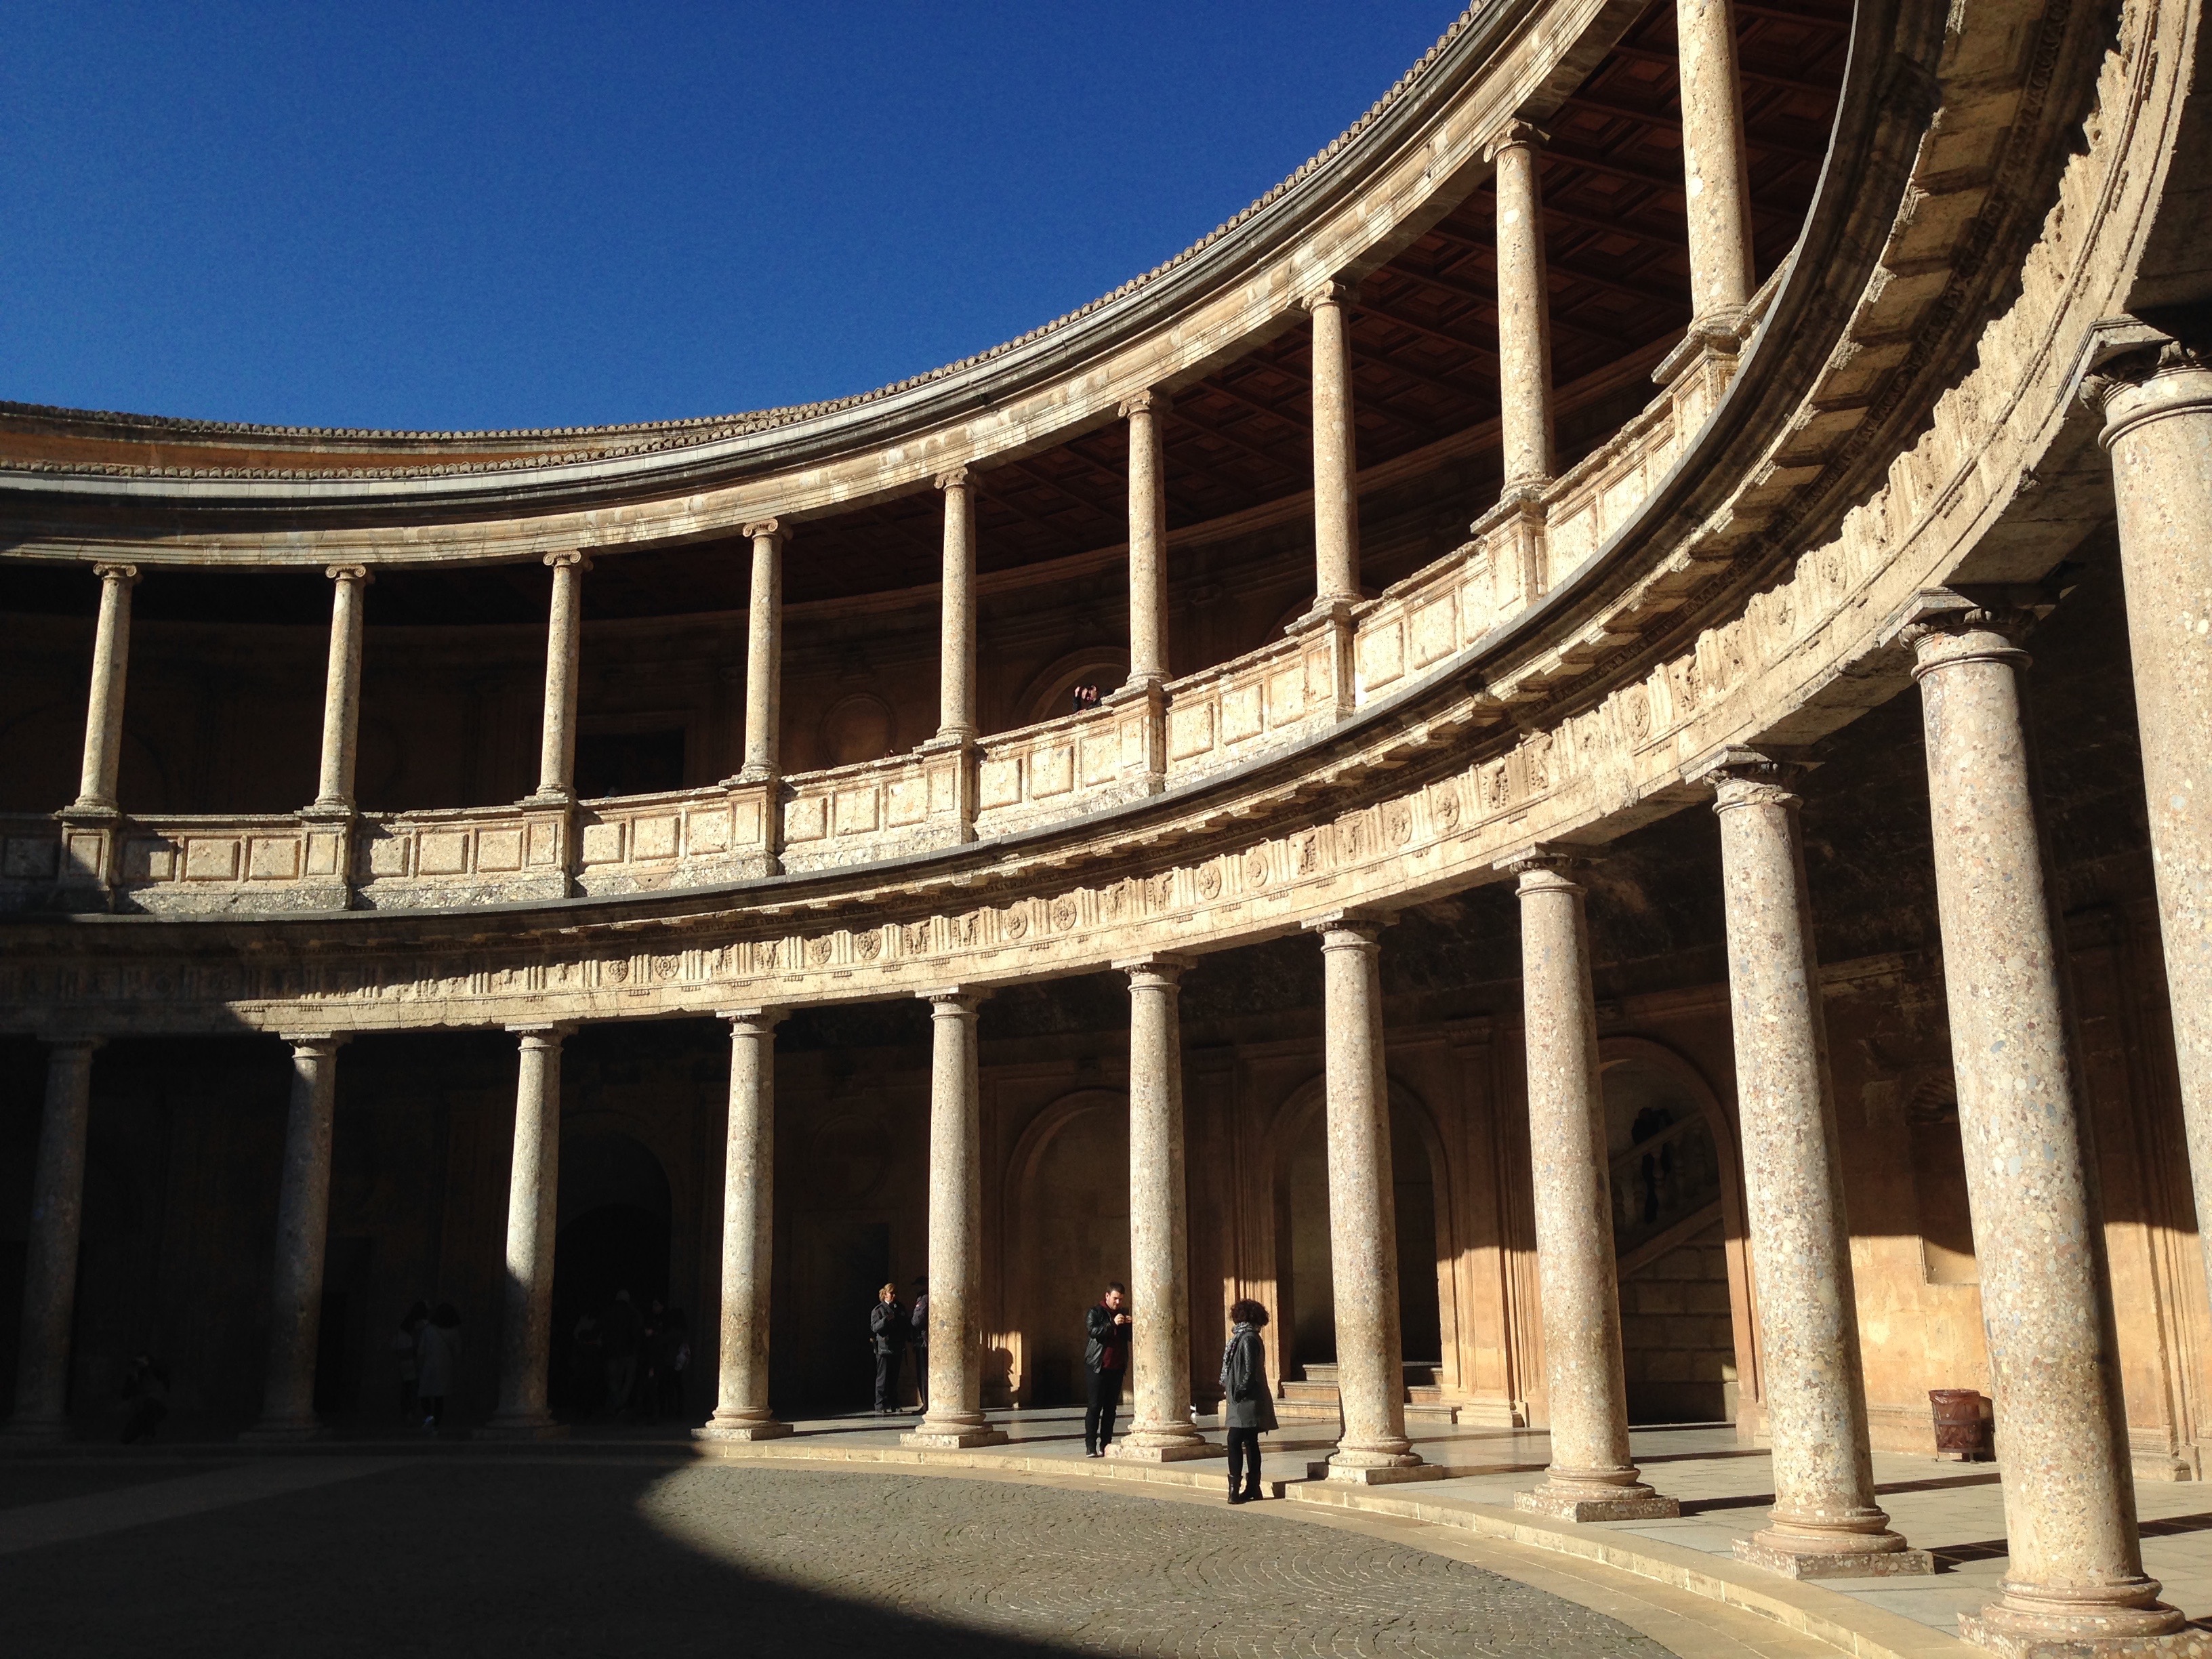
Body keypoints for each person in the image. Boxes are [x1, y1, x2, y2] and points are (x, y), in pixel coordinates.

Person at [1220, 1298, 1279, 1503]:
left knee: (1234, 1439)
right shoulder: (1243, 1337)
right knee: (1250, 1441)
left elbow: (1250, 1369)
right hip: (1243, 1398)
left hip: (1246, 1399)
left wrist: (1240, 1391)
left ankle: (1236, 1490)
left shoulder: (1248, 1339)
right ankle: (1253, 1488)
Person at [1083, 1282, 1132, 1456]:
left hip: (1117, 1367)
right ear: (1107, 1296)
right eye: (1115, 1298)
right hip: (1097, 1366)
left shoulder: (1122, 1314)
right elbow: (1094, 1332)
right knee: (1095, 1406)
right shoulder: (1095, 1312)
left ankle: (1106, 1444)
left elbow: (1129, 1338)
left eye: (1121, 1299)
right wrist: (1112, 1323)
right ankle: (1090, 1445)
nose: (1118, 1303)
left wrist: (1129, 1325)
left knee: (1111, 1408)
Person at [416, 1303, 462, 1433]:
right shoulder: (454, 1332)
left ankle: (429, 1417)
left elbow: (421, 1351)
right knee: (439, 1396)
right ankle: (436, 1421)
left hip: (429, 1365)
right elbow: (458, 1352)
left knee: (425, 1393)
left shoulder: (429, 1330)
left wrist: (419, 1366)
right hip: (445, 1366)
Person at [601, 1288, 641, 1417]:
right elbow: (637, 1333)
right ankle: (620, 1404)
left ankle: (617, 1405)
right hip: (629, 1352)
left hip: (612, 1351)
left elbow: (601, 1328)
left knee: (613, 1380)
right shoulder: (633, 1313)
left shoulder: (609, 1312)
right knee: (628, 1380)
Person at [869, 1283, 905, 1415]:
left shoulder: (899, 1308)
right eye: (891, 1294)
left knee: (894, 1377)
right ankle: (880, 1404)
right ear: (885, 1295)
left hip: (897, 1347)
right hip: (884, 1348)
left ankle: (894, 1403)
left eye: (895, 1294)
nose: (894, 1296)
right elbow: (875, 1327)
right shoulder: (878, 1310)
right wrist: (886, 1320)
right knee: (883, 1377)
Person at [121, 1353, 169, 1444]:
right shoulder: (134, 1377)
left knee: (150, 1407)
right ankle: (144, 1435)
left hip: (154, 1407)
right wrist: (134, 1377)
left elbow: (159, 1391)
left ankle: (149, 1436)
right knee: (126, 1438)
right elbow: (126, 1395)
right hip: (140, 1410)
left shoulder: (153, 1373)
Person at [393, 1300, 428, 1421]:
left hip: (404, 1360)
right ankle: (411, 1413)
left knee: (406, 1387)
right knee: (414, 1387)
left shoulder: (404, 1324)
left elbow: (395, 1344)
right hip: (414, 1360)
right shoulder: (421, 1325)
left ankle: (406, 1412)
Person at [569, 1308, 605, 1419]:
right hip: (586, 1367)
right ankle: (583, 1410)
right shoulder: (585, 1322)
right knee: (586, 1388)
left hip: (587, 1367)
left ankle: (585, 1410)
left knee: (587, 1388)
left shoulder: (593, 1324)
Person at [907, 1277, 930, 1413]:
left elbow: (917, 1320)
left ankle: (926, 1404)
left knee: (923, 1375)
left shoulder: (924, 1298)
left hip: (923, 1341)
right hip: (926, 1340)